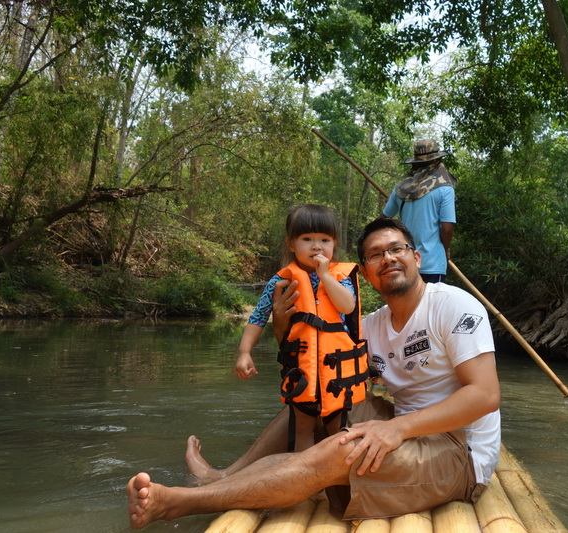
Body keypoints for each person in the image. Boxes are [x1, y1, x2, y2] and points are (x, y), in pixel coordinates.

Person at [126, 218, 500, 529]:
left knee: (342, 451)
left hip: (458, 450)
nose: (388, 258)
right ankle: (222, 477)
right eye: (375, 254)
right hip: (403, 424)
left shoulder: (451, 305)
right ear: (365, 275)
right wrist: (281, 323)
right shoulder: (370, 326)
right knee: (316, 397)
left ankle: (182, 502)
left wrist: (396, 428)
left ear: (416, 257)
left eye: (397, 248)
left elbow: (485, 395)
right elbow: (308, 360)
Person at [235, 203, 369, 453]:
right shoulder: (281, 280)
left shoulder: (340, 276)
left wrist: (326, 276)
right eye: (307, 239)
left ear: (334, 244)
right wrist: (244, 352)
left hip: (336, 373)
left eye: (324, 240)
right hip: (301, 370)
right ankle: (302, 481)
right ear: (291, 245)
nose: (317, 246)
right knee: (302, 430)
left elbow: (348, 306)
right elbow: (259, 316)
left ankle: (339, 482)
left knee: (338, 432)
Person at [382, 139, 456, 283]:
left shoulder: (401, 189)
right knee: (431, 305)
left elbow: (383, 219)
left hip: (406, 262)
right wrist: (445, 250)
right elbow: (447, 228)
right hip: (432, 264)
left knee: (408, 305)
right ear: (437, 161)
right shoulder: (445, 188)